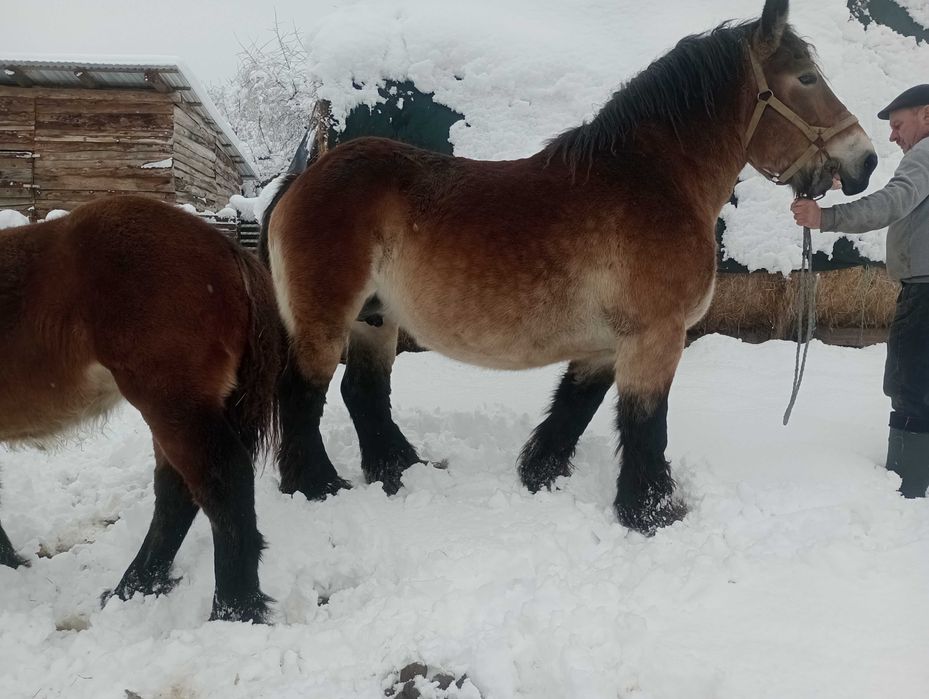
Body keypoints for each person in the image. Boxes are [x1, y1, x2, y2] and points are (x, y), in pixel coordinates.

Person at [791, 84, 929, 499]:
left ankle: (907, 488)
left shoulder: (925, 154)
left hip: (925, 294)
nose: (892, 135)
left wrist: (825, 218)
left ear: (927, 116)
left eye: (898, 125)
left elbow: (893, 201)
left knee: (909, 386)